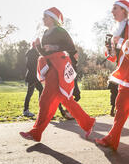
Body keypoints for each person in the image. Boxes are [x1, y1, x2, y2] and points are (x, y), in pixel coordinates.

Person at [19, 7, 95, 141]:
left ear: (52, 18)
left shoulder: (60, 31)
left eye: (45, 17)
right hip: (50, 67)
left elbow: (71, 49)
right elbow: (45, 52)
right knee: (66, 100)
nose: (43, 19)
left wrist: (55, 48)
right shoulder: (45, 33)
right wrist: (38, 47)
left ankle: (36, 132)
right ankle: (88, 122)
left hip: (59, 67)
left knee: (45, 100)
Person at [95, 0, 129, 151]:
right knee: (124, 106)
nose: (112, 11)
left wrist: (120, 41)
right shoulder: (116, 28)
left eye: (115, 8)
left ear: (124, 10)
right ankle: (112, 139)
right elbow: (116, 56)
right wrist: (110, 51)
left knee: (125, 106)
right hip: (124, 71)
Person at [23, 42, 44, 117]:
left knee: (41, 90)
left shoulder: (35, 52)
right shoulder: (32, 53)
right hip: (32, 77)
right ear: (34, 46)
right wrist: (34, 75)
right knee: (29, 93)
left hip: (35, 77)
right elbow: (29, 65)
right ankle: (26, 110)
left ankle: (41, 109)